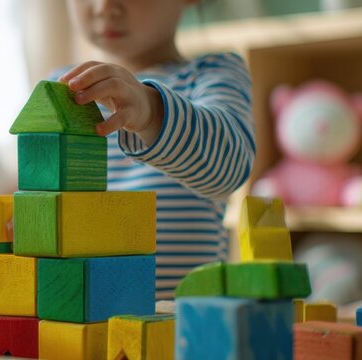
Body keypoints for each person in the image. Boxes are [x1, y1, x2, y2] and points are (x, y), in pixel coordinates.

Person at [59, 0, 255, 299]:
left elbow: (230, 170)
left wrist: (153, 112)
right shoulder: (59, 88)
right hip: (76, 321)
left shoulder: (212, 74)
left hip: (182, 327)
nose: (104, 7)